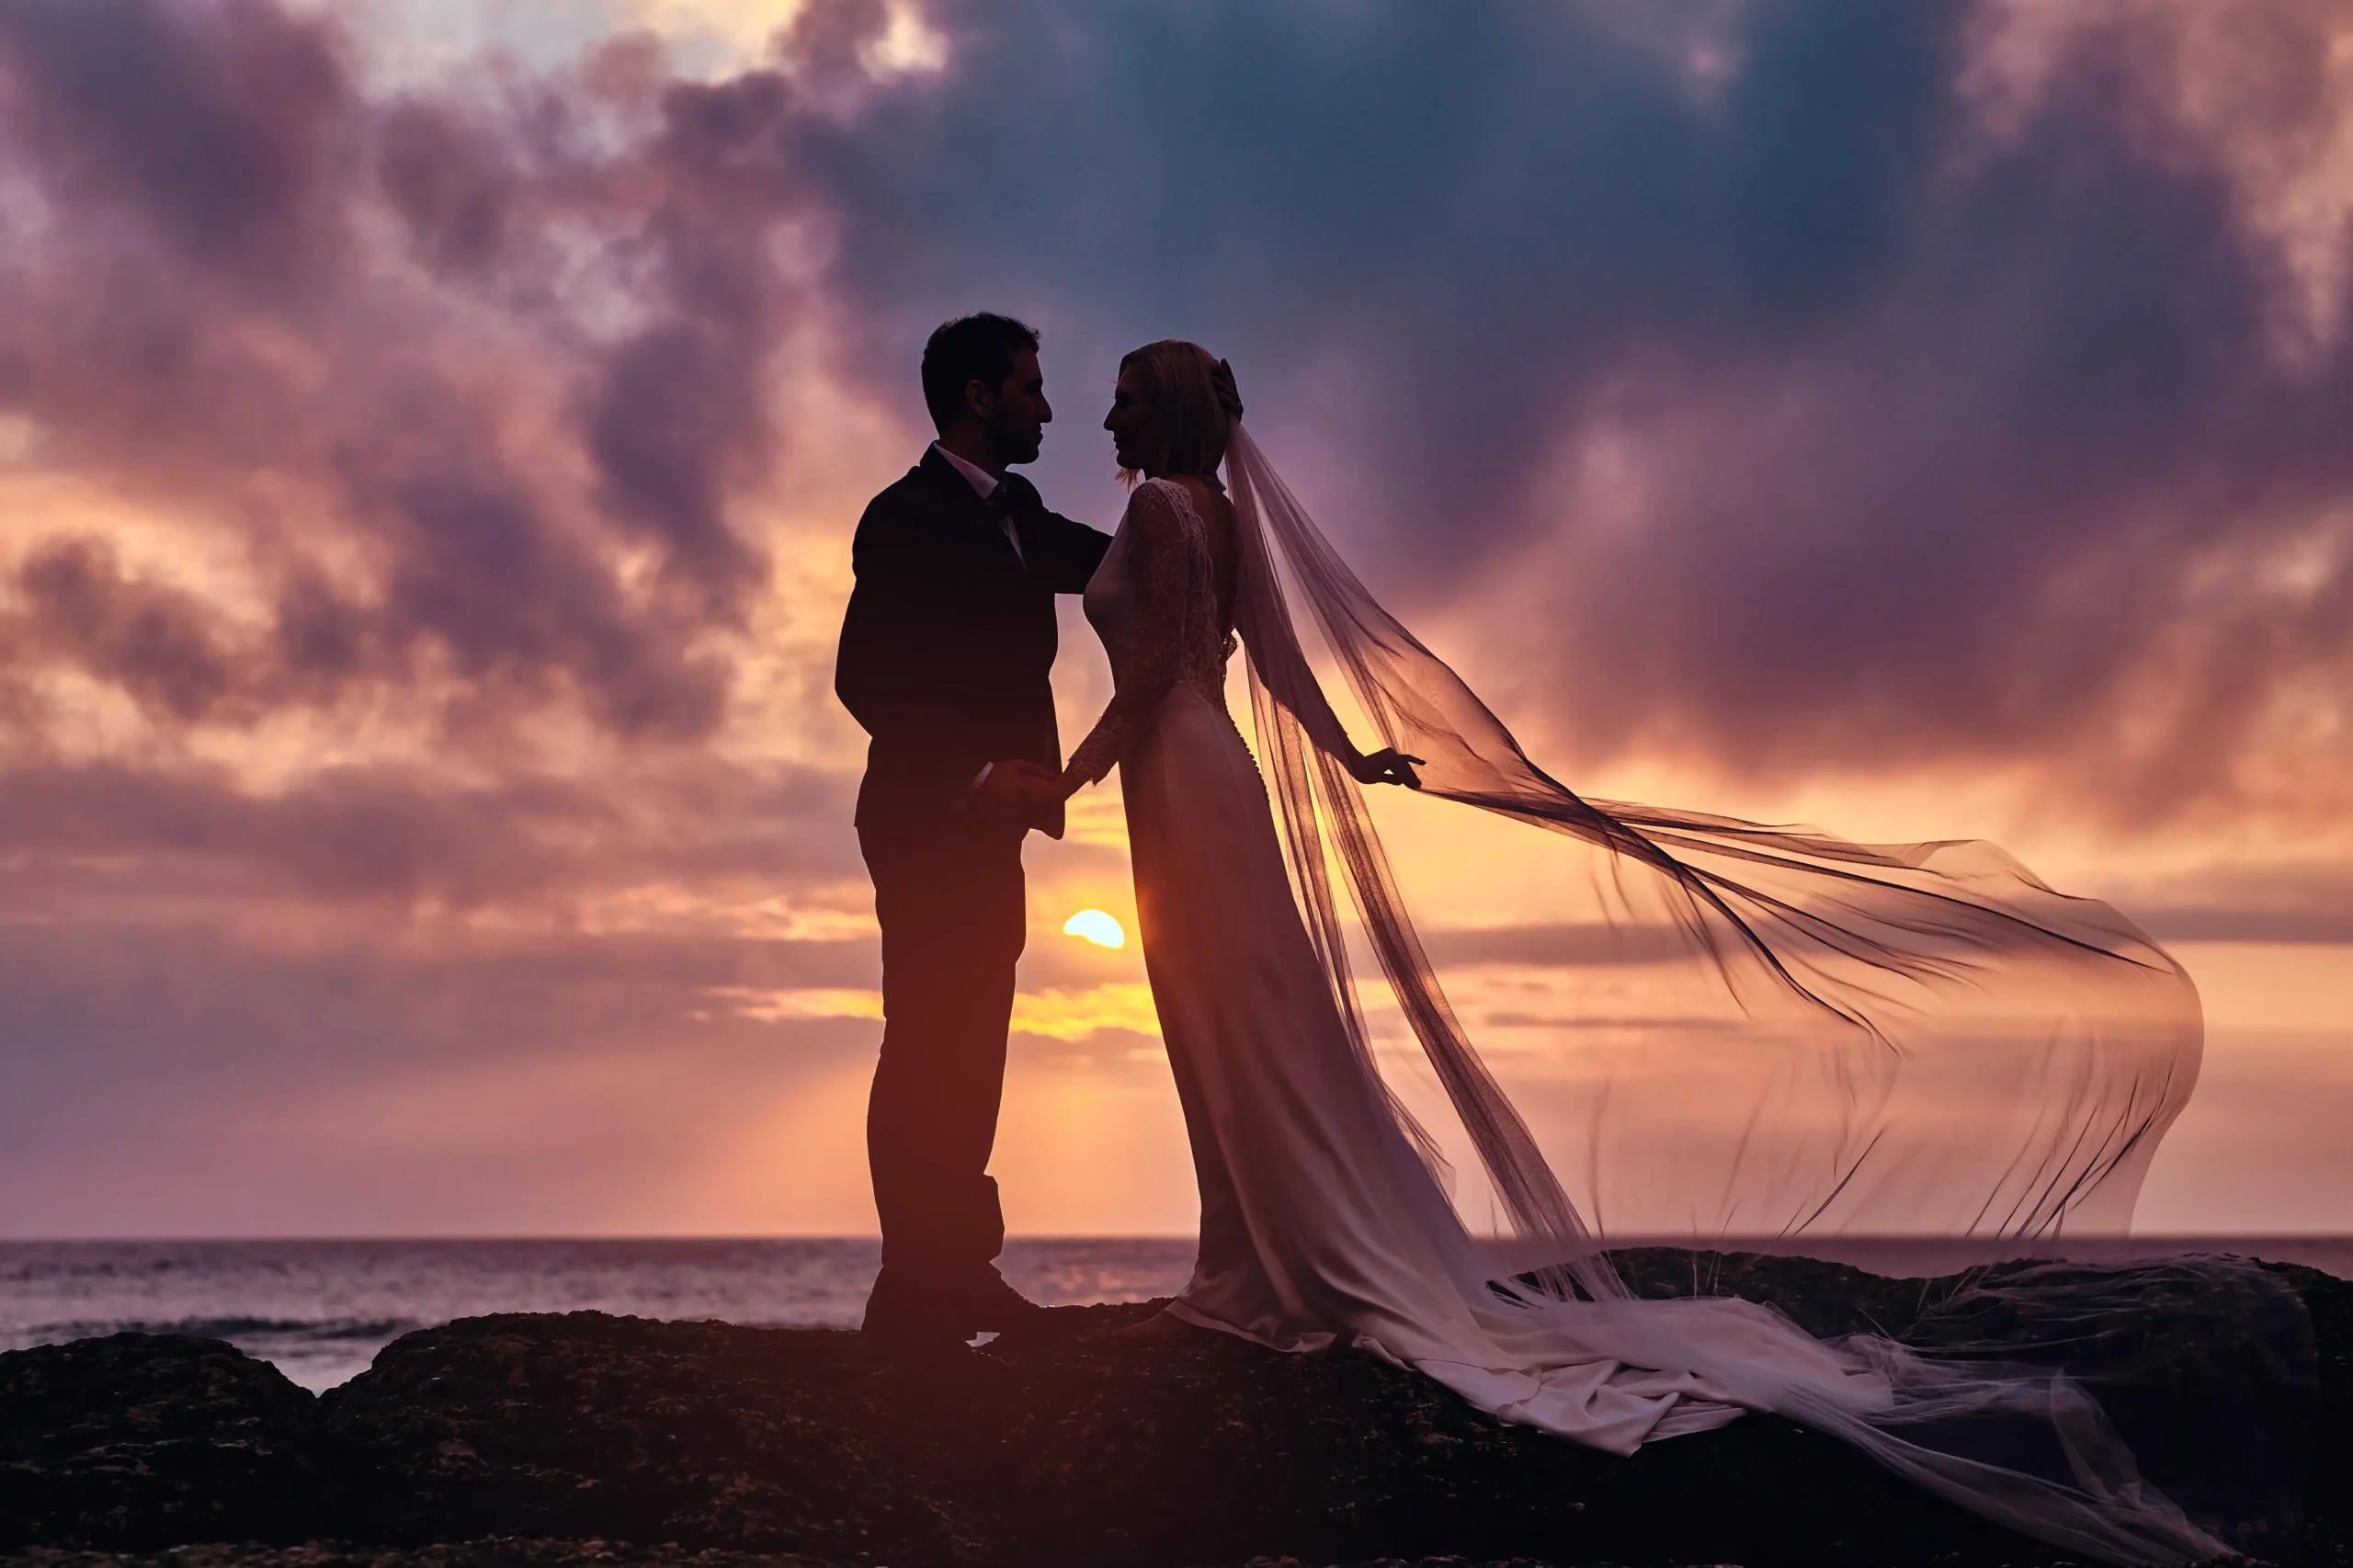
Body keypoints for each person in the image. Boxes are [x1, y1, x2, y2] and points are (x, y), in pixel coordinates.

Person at [1050, 339, 2226, 1563]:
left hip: (1178, 774)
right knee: (1245, 1021)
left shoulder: (1155, 513)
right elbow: (1278, 670)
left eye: (1125, 394)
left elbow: (1148, 688)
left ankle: (1251, 1271)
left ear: (1169, 406)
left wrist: (1061, 778)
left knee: (1226, 1022)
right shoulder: (1223, 516)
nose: (1107, 412)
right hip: (1211, 775)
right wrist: (1351, 759)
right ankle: (1245, 1260)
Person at [835, 313, 1111, 1349]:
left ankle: (954, 1269)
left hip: (991, 830)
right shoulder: (900, 516)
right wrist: (976, 775)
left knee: (975, 1038)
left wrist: (1198, 522)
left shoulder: (1020, 509)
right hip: (924, 817)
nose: (1048, 405)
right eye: (1032, 386)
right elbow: (864, 675)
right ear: (979, 395)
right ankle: (914, 1280)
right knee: (926, 1040)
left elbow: (1106, 562)